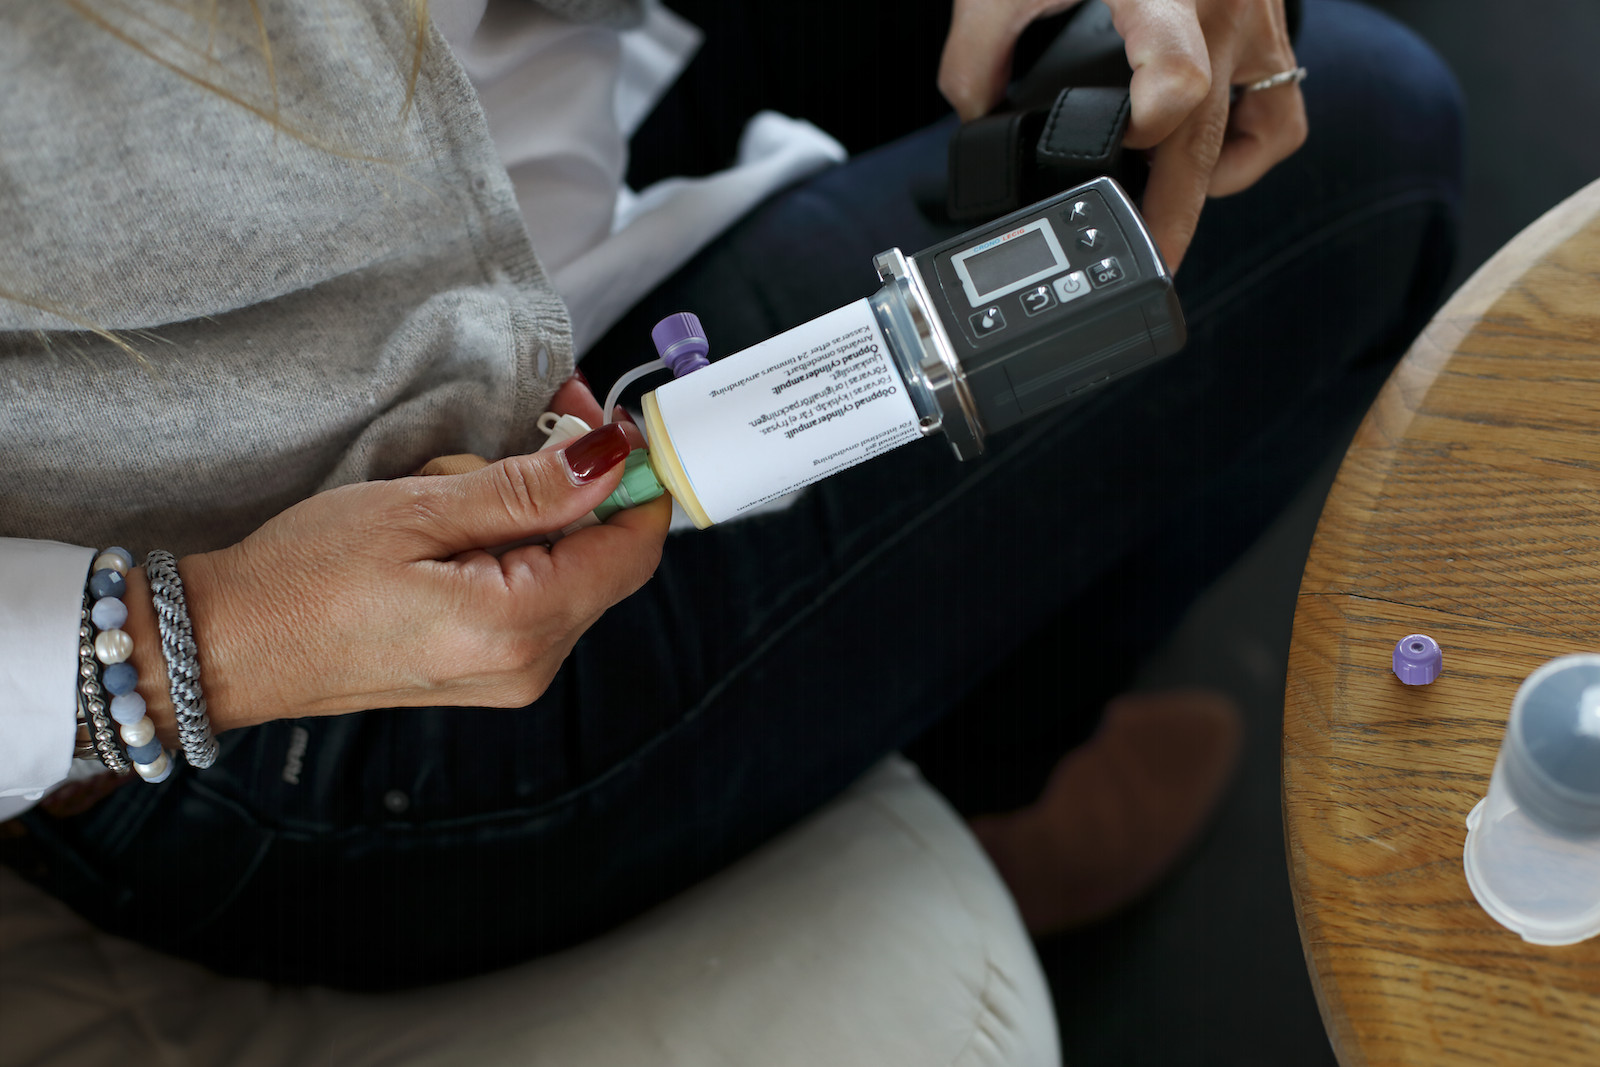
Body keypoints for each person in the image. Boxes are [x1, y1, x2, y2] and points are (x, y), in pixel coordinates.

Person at [0, 0, 1461, 993]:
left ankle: (935, 696)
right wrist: (207, 643)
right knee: (1367, 146)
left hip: (518, 129)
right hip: (300, 660)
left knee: (1195, 61)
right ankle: (994, 769)